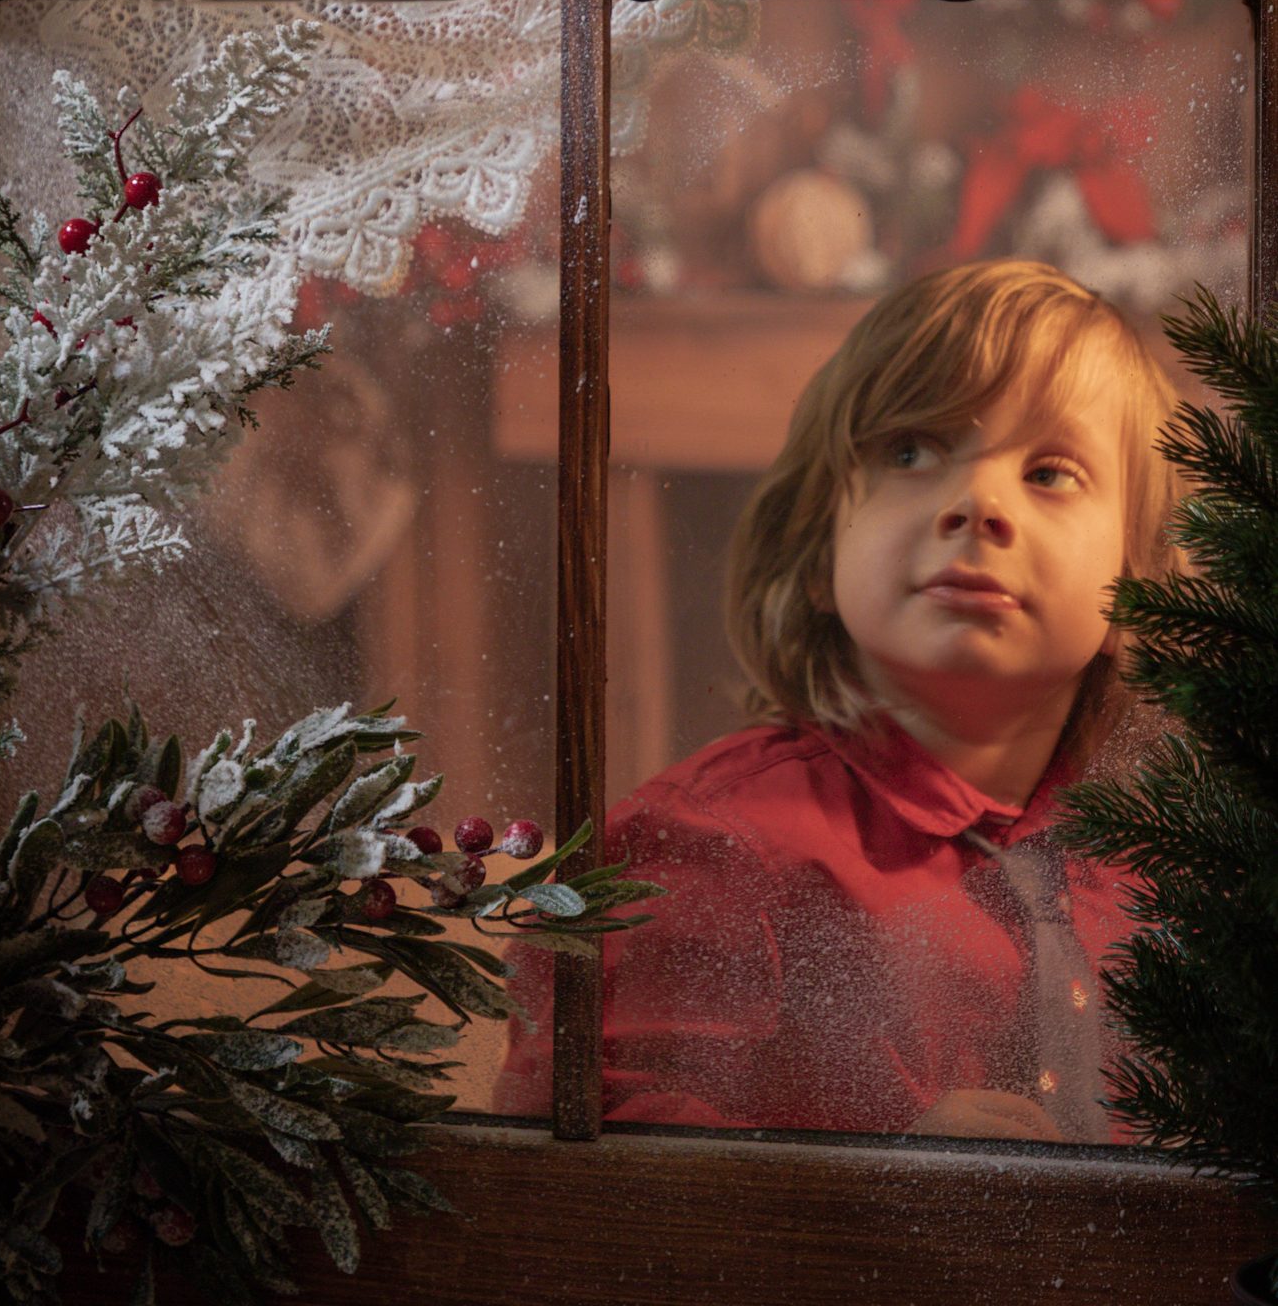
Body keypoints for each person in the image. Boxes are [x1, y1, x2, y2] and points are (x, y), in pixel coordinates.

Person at [496, 258, 1186, 1142]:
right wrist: (866, 1170)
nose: (977, 503)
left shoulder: (1162, 862)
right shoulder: (714, 847)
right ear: (818, 553)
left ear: (1136, 587)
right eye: (910, 452)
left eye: (1050, 472)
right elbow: (578, 1150)